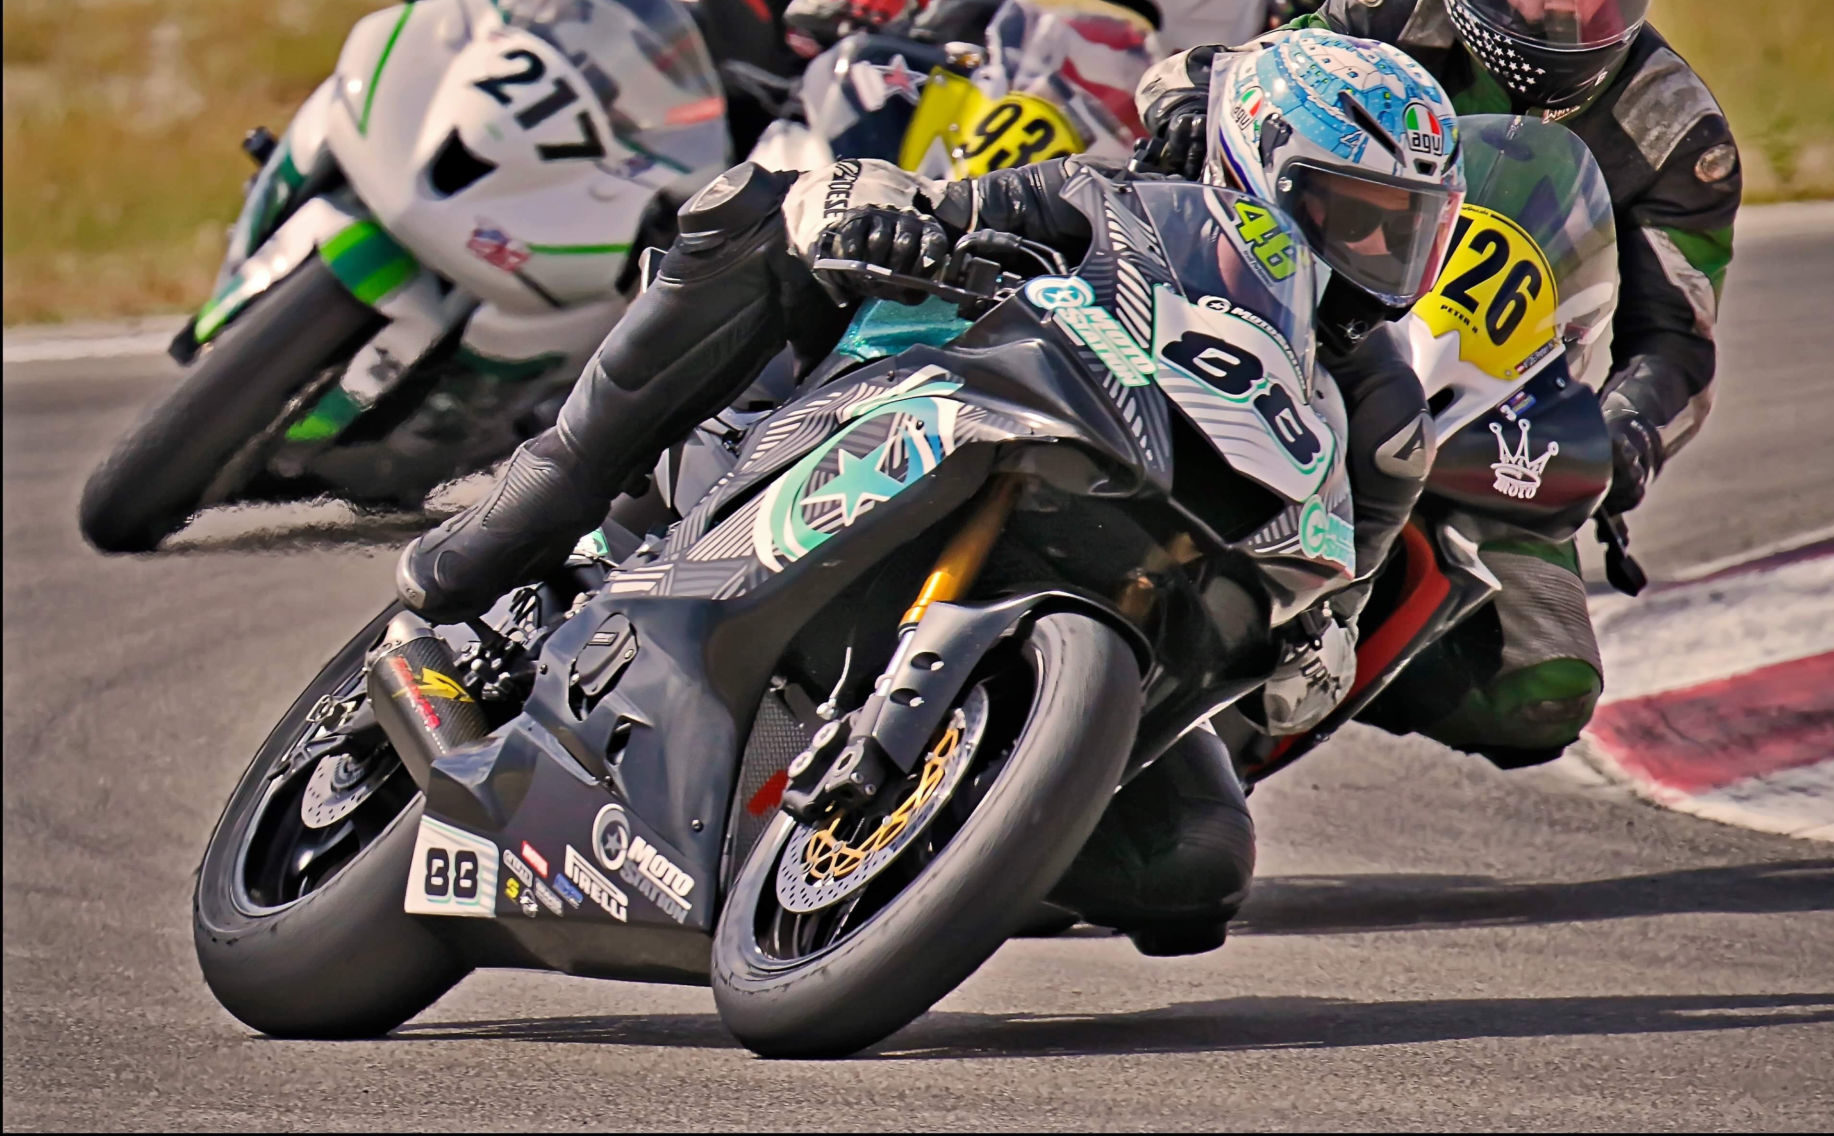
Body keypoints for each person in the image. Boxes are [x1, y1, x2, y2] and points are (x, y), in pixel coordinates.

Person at [395, 28, 1465, 953]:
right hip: (917, 431)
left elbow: (1333, 594)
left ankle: (923, 846)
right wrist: (895, 219)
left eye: (1404, 228)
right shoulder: (1124, 202)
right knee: (749, 216)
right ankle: (537, 500)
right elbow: (923, 198)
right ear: (1260, 167)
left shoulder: (1374, 409)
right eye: (1353, 212)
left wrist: (1317, 631)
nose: (1375, 251)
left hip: (1111, 611)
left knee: (1196, 868)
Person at [1137, 0, 1742, 767]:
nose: (1562, 14)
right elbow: (1226, 74)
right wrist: (1193, 104)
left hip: (1491, 415)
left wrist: (1628, 432)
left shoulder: (1677, 129)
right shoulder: (1392, 12)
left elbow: (1678, 344)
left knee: (1541, 687)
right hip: (1284, 314)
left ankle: (1294, 692)